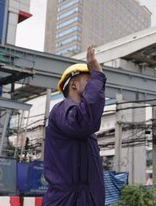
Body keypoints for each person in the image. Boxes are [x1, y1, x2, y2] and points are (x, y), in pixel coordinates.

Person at [43, 46, 106, 206]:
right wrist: (98, 76)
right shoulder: (62, 110)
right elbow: (83, 122)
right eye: (89, 80)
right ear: (74, 85)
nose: (93, 84)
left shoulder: (82, 118)